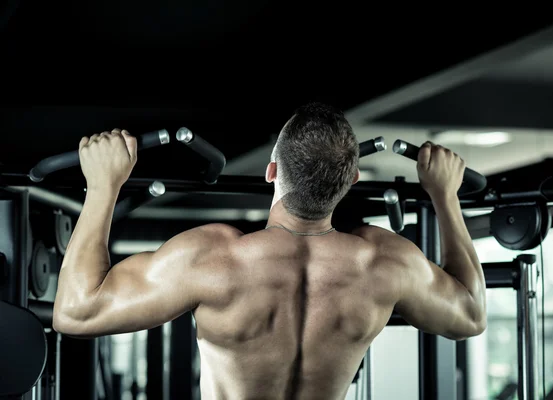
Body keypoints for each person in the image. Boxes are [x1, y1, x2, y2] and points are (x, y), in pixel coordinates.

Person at [53, 102, 487, 400]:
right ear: (351, 180)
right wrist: (444, 195)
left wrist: (104, 185)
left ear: (271, 171)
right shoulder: (385, 263)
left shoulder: (215, 260)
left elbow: (76, 312)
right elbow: (469, 315)